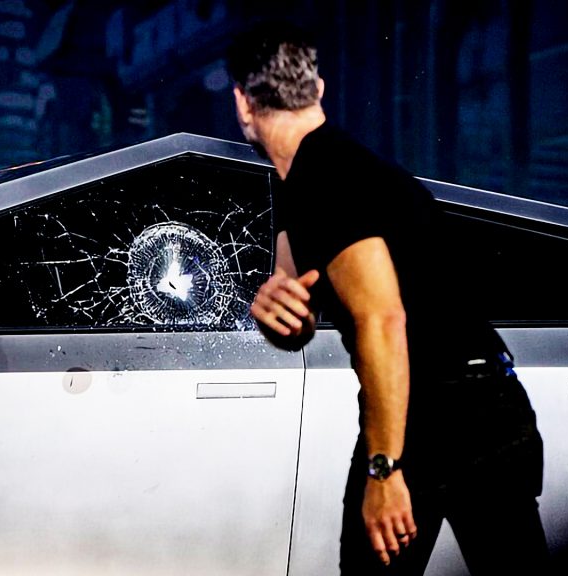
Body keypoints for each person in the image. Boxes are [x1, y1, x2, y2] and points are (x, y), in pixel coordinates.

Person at [227, 21, 549, 575]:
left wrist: (384, 468)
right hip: (484, 405)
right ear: (318, 89)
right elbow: (296, 304)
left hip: (434, 414)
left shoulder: (328, 176)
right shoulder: (299, 180)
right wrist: (277, 313)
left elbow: (382, 318)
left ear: (242, 104)